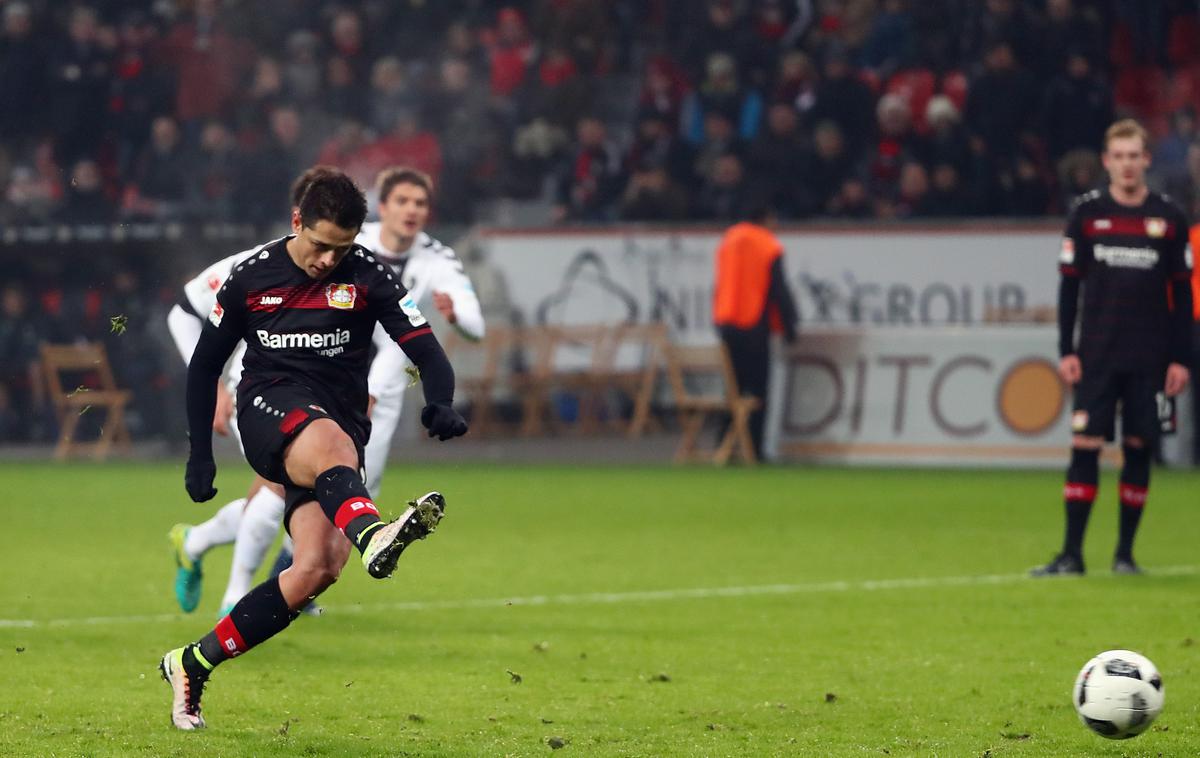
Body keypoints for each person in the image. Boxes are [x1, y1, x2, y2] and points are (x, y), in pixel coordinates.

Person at [160, 169, 467, 730]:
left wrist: (440, 401)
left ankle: (191, 662)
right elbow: (205, 366)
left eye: (342, 248)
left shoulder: (367, 273)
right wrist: (198, 453)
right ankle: (376, 535)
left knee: (317, 568)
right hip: (267, 407)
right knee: (327, 443)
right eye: (321, 245)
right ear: (297, 221)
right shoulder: (250, 276)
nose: (329, 259)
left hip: (339, 421)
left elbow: (423, 343)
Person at [164, 166, 332, 618]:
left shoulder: (343, 270)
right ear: (299, 219)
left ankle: (195, 542)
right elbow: (182, 312)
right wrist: (214, 384)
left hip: (315, 399)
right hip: (256, 393)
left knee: (293, 492)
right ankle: (235, 602)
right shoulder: (251, 266)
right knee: (284, 488)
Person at [1032, 119, 1193, 577]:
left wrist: (1181, 358)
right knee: (1084, 446)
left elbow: (1182, 295)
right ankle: (1072, 554)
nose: (1126, 165)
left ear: (1146, 159)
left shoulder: (1169, 218)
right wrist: (1067, 349)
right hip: (1097, 354)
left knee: (1140, 449)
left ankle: (1125, 555)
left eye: (1133, 156)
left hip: (1151, 358)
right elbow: (1069, 290)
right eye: (1117, 156)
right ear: (1106, 162)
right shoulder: (1086, 215)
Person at [357, 167, 485, 498]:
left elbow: (476, 328)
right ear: (383, 207)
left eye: (420, 203)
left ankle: (296, 551)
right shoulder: (352, 241)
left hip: (386, 377)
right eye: (402, 201)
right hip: (333, 360)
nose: (412, 209)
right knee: (291, 486)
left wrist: (456, 315)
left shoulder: (438, 259)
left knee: (363, 482)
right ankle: (206, 538)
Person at [711, 201, 799, 460]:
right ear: (766, 218)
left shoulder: (729, 240)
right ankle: (755, 449)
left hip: (726, 321)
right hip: (753, 324)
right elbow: (778, 290)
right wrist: (790, 326)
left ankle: (723, 446)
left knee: (733, 389)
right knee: (759, 391)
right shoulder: (768, 245)